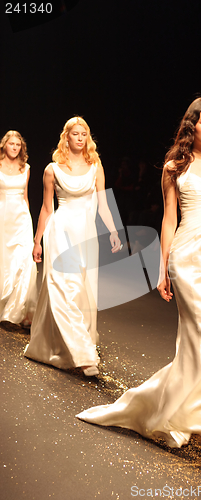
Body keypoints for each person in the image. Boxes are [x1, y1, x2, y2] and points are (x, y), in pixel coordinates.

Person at [76, 98, 201, 454]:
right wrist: (163, 269)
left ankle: (193, 405)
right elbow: (169, 220)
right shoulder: (175, 166)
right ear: (191, 125)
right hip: (187, 257)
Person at [24, 117, 121, 376]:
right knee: (64, 287)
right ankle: (83, 355)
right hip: (59, 231)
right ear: (66, 137)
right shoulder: (51, 169)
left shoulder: (95, 166)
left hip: (85, 234)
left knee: (83, 290)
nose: (80, 138)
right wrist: (37, 241)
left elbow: (103, 204)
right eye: (75, 134)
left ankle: (62, 344)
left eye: (84, 134)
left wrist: (113, 231)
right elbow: (47, 208)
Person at [0, 131, 37, 326]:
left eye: (18, 145)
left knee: (24, 261)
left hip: (22, 218)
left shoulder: (26, 168)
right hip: (2, 216)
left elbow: (25, 197)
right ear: (4, 145)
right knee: (4, 262)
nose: (14, 147)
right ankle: (4, 305)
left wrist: (28, 219)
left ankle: (19, 311)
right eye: (11, 144)